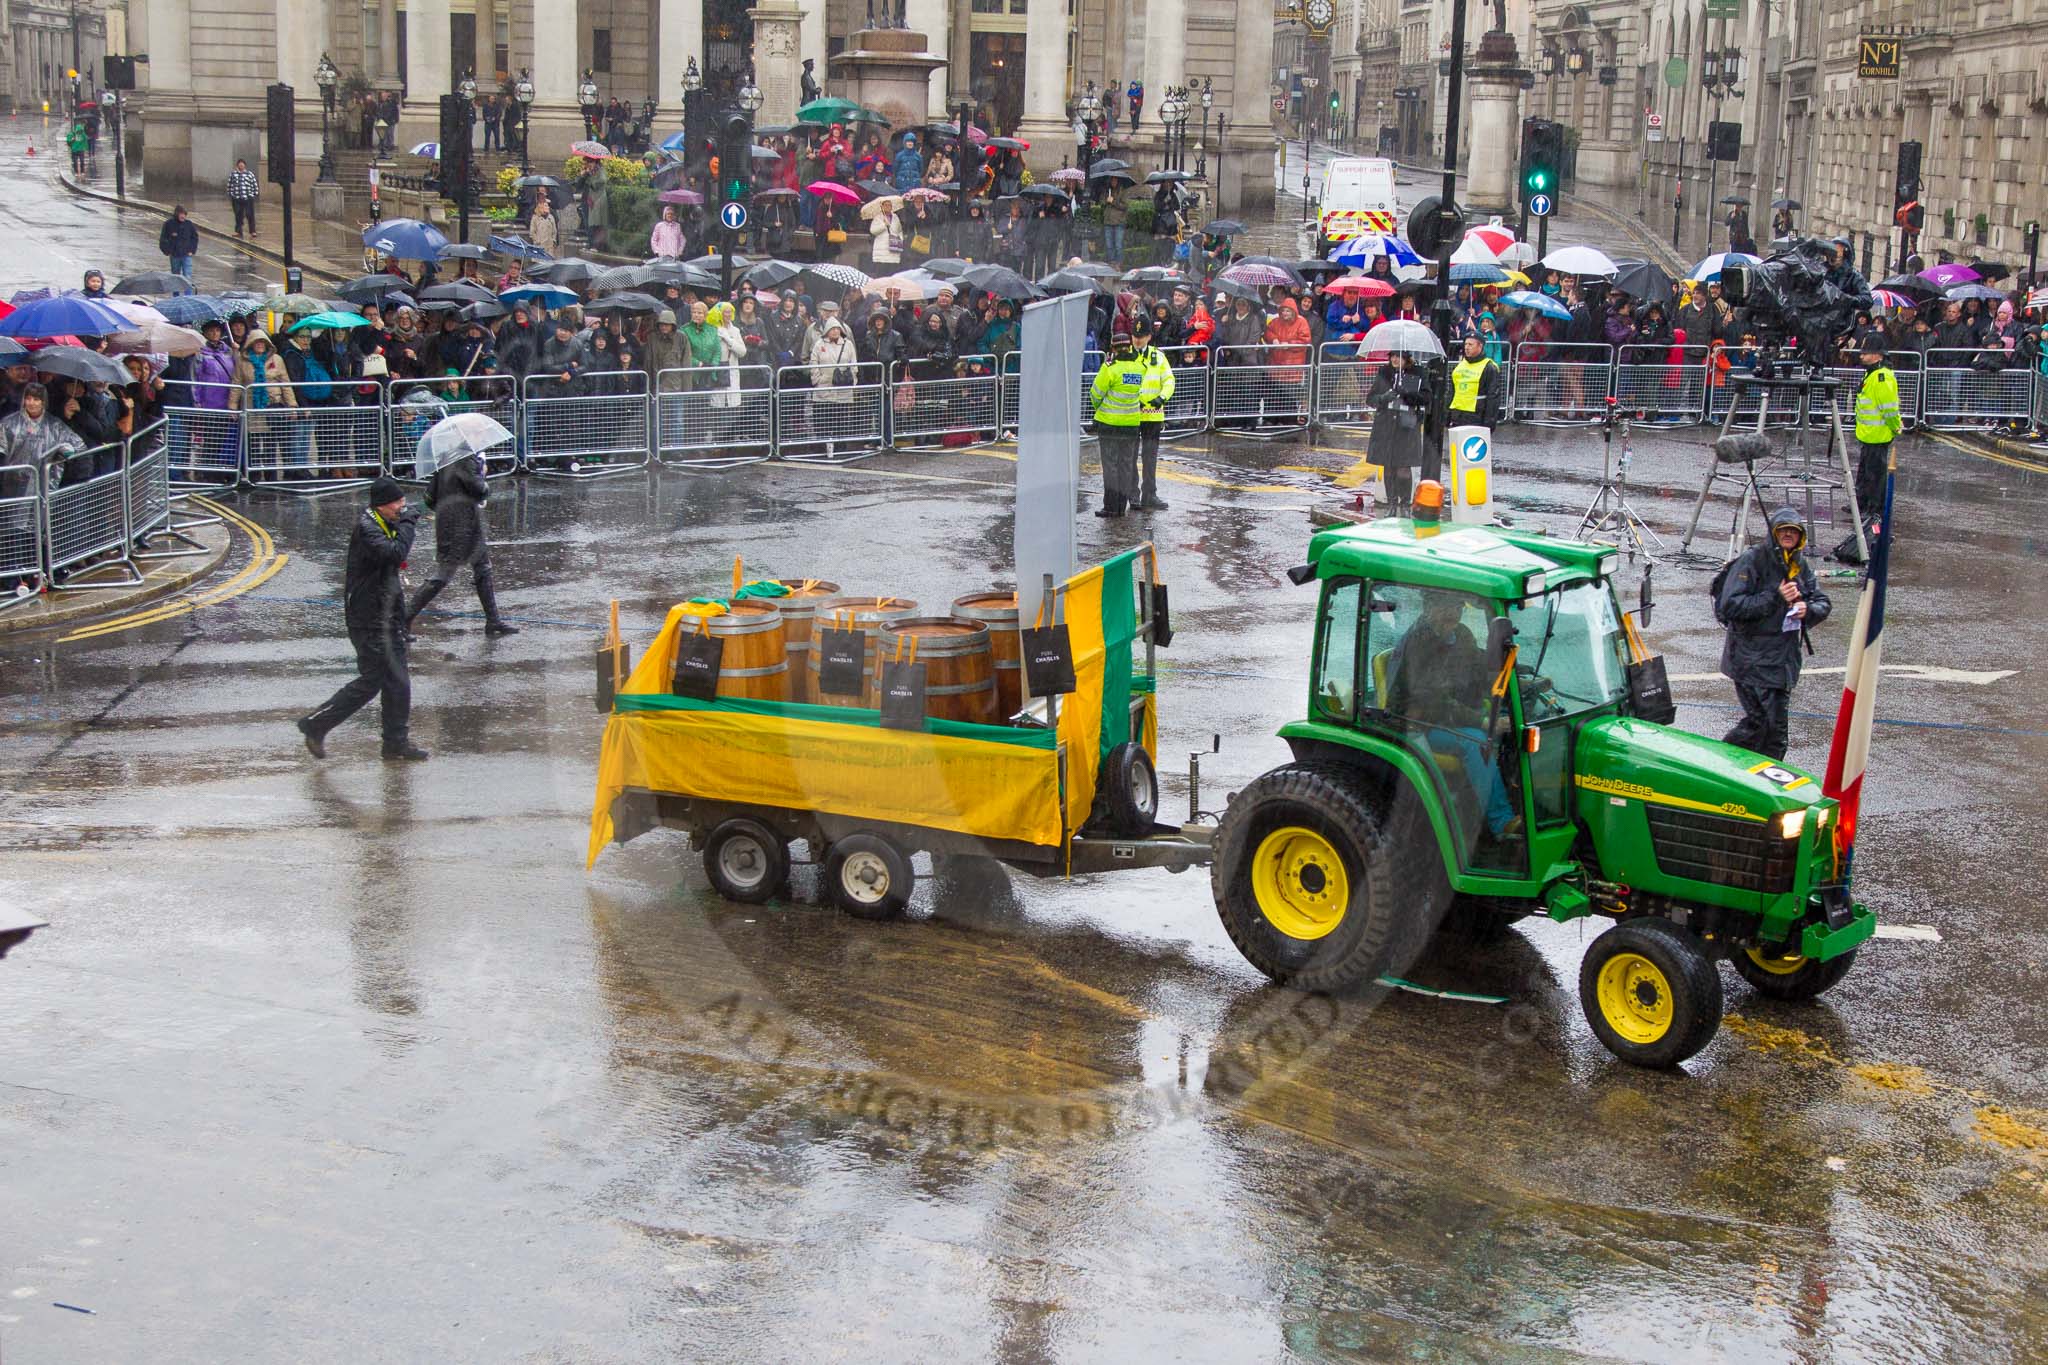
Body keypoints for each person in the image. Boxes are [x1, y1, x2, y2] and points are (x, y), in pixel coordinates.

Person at [295, 477, 429, 762]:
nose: (402, 507)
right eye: (397, 503)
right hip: (369, 619)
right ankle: (316, 724)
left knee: (398, 682)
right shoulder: (368, 528)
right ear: (381, 505)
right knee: (375, 680)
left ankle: (395, 742)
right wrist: (407, 525)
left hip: (386, 615)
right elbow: (394, 553)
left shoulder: (382, 522)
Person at [1384, 590, 1517, 840]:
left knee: (1519, 724)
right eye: (1444, 606)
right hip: (1418, 723)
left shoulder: (1461, 635)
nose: (1451, 613)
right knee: (1477, 741)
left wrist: (1517, 683)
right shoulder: (1417, 643)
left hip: (1453, 715)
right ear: (1428, 607)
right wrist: (1484, 721)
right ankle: (1502, 822)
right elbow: (1433, 701)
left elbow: (1482, 671)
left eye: (1456, 606)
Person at [1715, 508, 1832, 761]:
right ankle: (1727, 765)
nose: (1788, 535)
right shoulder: (1753, 560)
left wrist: (1807, 609)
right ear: (1773, 533)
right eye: (1783, 530)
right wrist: (1774, 597)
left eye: (1794, 531)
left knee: (1769, 730)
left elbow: (1822, 602)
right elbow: (1730, 605)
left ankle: (1743, 771)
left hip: (1782, 661)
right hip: (1750, 659)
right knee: (1764, 727)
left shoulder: (1799, 564)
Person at [405, 449, 517, 637]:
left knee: (483, 568)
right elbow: (480, 490)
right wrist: (482, 473)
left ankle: (493, 620)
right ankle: (404, 618)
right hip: (461, 526)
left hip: (456, 523)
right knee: (444, 575)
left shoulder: (447, 457)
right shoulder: (466, 459)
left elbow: (431, 498)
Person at [1840, 338, 1902, 558]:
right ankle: (1862, 503)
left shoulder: (1882, 377)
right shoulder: (1872, 374)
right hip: (1868, 434)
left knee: (1876, 474)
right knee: (1865, 472)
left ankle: (1874, 508)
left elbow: (1888, 408)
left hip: (1879, 434)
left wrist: (1896, 428)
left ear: (1878, 355)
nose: (1862, 356)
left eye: (1866, 353)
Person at [1088, 321, 1150, 518]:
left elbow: (1095, 393)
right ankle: (1122, 507)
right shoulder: (1139, 367)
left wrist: (1100, 409)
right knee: (1126, 466)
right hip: (1131, 424)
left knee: (1111, 467)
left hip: (1109, 424)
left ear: (1113, 348)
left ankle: (1111, 507)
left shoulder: (1110, 368)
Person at [1367, 351, 1433, 509]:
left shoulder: (1418, 372)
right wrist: (1384, 398)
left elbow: (1426, 397)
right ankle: (1391, 503)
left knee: (1403, 468)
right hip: (1386, 425)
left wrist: (1407, 394)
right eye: (1393, 356)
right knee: (1388, 467)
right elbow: (1370, 399)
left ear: (1407, 358)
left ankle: (1404, 504)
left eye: (1399, 357)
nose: (1395, 360)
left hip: (1407, 426)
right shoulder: (1384, 372)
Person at [1131, 316, 1174, 511]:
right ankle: (1133, 495)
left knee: (1150, 458)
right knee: (1129, 458)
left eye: (1141, 336)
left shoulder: (1159, 357)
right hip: (1131, 416)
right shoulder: (1125, 356)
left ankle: (1150, 494)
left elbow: (1169, 381)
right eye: (1134, 336)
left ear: (1149, 336)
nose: (1137, 340)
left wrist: (1162, 398)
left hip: (1153, 416)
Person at [1447, 333, 1504, 429]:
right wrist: (1447, 415)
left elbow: (1493, 397)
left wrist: (1489, 422)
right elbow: (1452, 392)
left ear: (1480, 346)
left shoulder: (1489, 367)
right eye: (1465, 344)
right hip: (1457, 415)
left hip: (1476, 417)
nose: (1466, 347)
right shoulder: (1460, 365)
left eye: (1470, 345)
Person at [159, 205, 200, 280]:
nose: (183, 216)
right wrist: (168, 251)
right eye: (181, 214)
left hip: (186, 255)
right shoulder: (168, 224)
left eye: (184, 214)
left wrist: (192, 250)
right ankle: (176, 292)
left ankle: (188, 292)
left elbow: (195, 237)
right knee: (175, 277)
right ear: (177, 214)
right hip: (174, 256)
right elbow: (163, 239)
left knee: (187, 276)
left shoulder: (189, 224)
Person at [226, 158, 260, 238]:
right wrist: (231, 194)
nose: (241, 165)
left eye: (242, 164)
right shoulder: (233, 174)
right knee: (238, 215)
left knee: (250, 215)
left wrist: (254, 194)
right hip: (237, 198)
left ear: (245, 165)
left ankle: (253, 231)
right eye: (239, 164)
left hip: (248, 198)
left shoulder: (249, 174)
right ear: (237, 165)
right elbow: (229, 185)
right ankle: (238, 232)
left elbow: (254, 184)